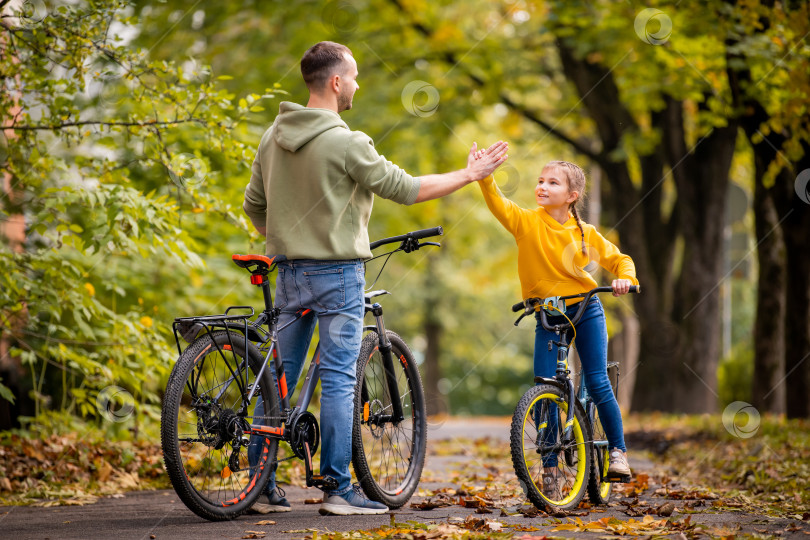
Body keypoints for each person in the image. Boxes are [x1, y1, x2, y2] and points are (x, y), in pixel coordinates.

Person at [242, 41, 508, 516]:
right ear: (337, 82)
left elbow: (254, 207)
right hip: (338, 275)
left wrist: (286, 236)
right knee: (341, 380)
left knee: (277, 377)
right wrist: (470, 175)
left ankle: (259, 486)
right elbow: (407, 190)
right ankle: (339, 491)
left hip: (286, 272)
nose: (359, 85)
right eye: (356, 76)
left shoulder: (272, 137)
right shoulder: (348, 141)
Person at [476, 159, 638, 495]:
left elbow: (618, 259)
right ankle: (549, 469)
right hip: (548, 312)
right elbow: (498, 203)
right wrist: (485, 176)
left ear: (571, 195)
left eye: (552, 183)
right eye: (540, 181)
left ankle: (618, 452)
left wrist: (625, 278)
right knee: (545, 387)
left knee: (596, 380)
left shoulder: (584, 233)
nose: (542, 187)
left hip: (585, 306)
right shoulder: (526, 222)